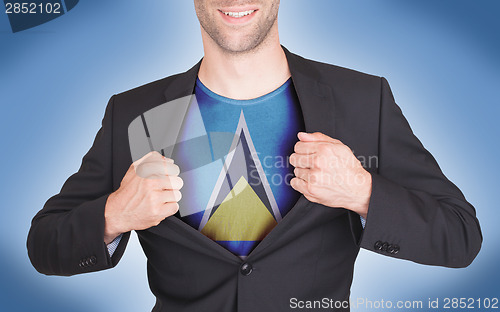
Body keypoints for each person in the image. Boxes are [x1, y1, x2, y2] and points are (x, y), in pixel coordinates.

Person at [27, 1, 482, 311]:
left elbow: (460, 236)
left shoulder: (363, 100)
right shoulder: (135, 113)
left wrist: (363, 192)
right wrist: (114, 214)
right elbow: (44, 245)